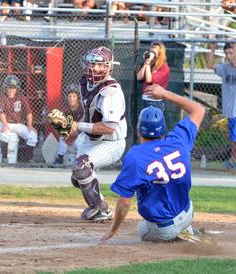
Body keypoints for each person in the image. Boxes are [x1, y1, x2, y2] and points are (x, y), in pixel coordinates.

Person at [101, 84, 205, 243]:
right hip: (187, 212)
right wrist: (165, 94)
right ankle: (186, 229)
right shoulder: (178, 140)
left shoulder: (136, 155)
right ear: (163, 129)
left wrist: (113, 229)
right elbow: (198, 110)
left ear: (138, 131)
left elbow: (124, 202)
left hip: (164, 227)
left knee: (142, 230)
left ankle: (175, 238)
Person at [68, 46, 127, 223]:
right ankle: (100, 204)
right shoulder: (85, 82)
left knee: (82, 169)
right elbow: (90, 112)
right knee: (77, 177)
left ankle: (100, 209)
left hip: (112, 142)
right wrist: (69, 124)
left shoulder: (111, 92)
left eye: (100, 65)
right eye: (92, 64)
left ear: (109, 67)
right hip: (91, 138)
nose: (95, 68)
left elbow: (108, 127)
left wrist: (78, 126)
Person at [206, 42, 236, 172]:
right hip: (231, 108)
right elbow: (210, 65)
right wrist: (212, 48)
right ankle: (232, 159)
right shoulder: (225, 67)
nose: (228, 56)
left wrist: (234, 52)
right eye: (226, 53)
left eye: (231, 52)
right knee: (233, 136)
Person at [0, 75, 38, 164]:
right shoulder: (1, 97)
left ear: (17, 89)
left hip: (17, 124)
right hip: (1, 123)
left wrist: (30, 126)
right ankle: (5, 159)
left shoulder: (21, 97)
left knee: (33, 135)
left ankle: (28, 160)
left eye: (13, 88)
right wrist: (5, 125)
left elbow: (29, 113)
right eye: (9, 88)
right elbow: (1, 113)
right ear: (5, 88)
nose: (11, 90)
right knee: (5, 134)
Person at [54, 84, 84, 164]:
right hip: (69, 133)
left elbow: (83, 126)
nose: (71, 99)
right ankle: (60, 157)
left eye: (74, 96)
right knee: (63, 136)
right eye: (69, 96)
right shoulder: (64, 108)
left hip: (80, 134)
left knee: (81, 140)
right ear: (67, 97)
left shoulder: (82, 108)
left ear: (77, 97)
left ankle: (81, 160)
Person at [136, 41, 170, 111]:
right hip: (145, 99)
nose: (152, 53)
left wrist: (147, 64)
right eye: (151, 50)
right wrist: (146, 63)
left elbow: (149, 80)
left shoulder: (163, 67)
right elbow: (139, 77)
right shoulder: (149, 63)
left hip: (156, 101)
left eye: (154, 51)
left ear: (160, 52)